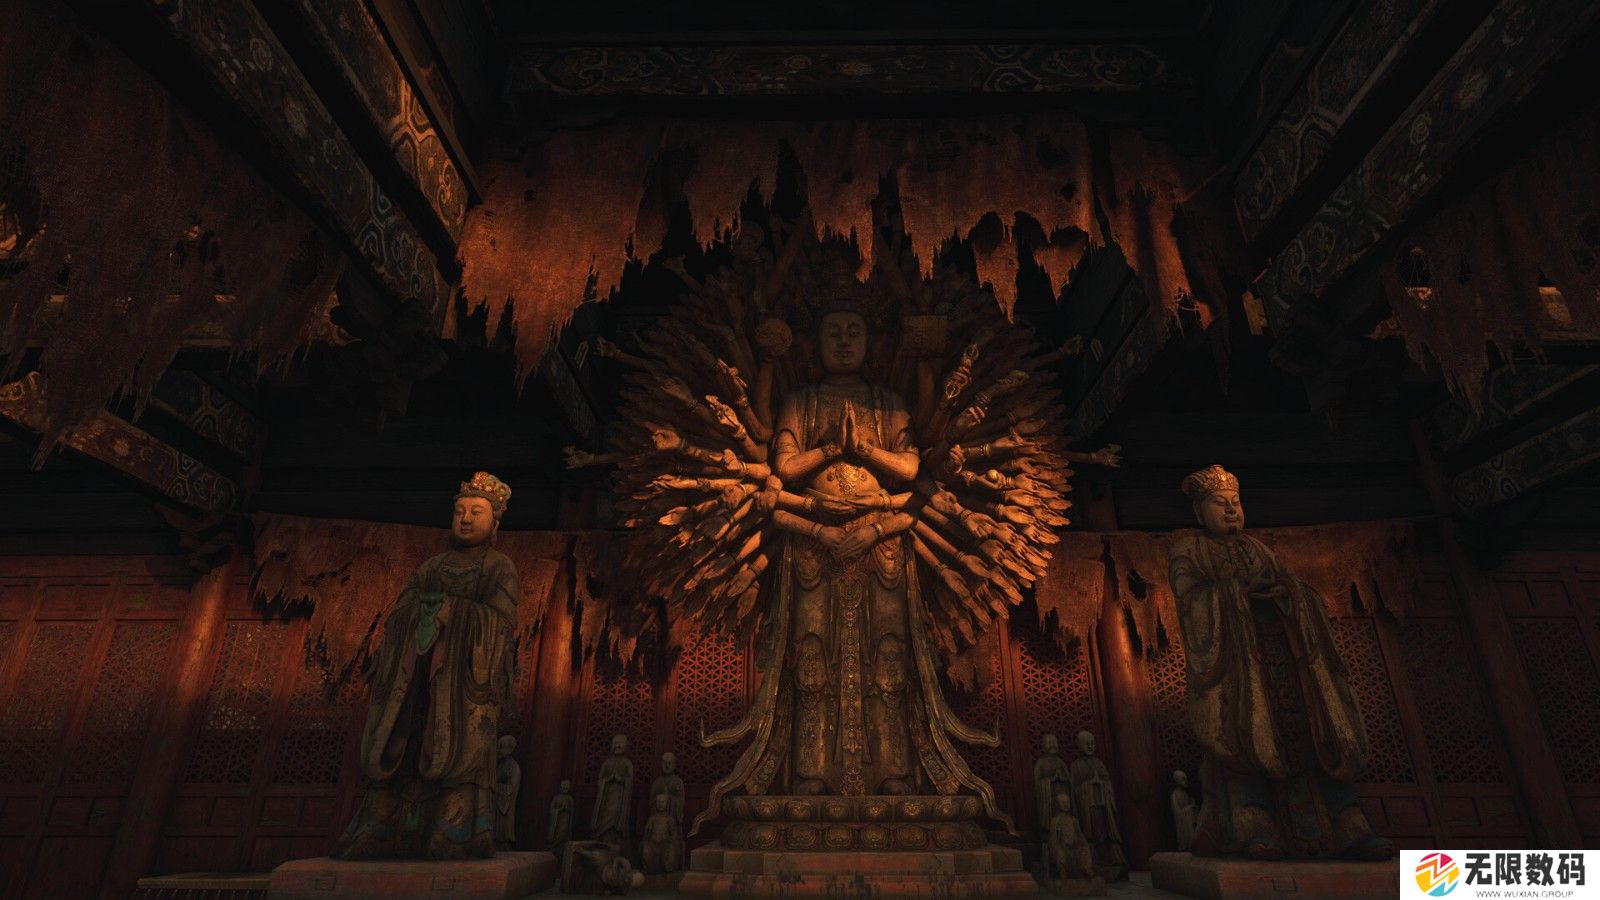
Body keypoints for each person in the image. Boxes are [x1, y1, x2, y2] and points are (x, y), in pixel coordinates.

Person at [1167, 465, 1394, 860]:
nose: (1231, 510)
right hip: (1241, 673)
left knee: (1318, 734)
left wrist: (1289, 594)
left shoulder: (1258, 550)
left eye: (1236, 502)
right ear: (1199, 512)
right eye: (1220, 504)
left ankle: (1346, 823)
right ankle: (1255, 822)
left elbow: (1298, 589)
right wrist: (1236, 595)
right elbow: (1191, 605)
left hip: (1289, 664)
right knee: (1245, 739)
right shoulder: (1190, 551)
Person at [336, 472, 519, 859]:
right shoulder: (432, 567)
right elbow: (399, 614)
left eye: (476, 512)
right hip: (416, 679)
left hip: (461, 685)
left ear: (495, 524)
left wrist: (455, 613)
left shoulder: (499, 567)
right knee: (400, 740)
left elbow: (502, 624)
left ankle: (456, 828)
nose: (465, 519)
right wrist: (419, 615)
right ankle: (382, 824)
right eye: (460, 511)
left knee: (461, 749)